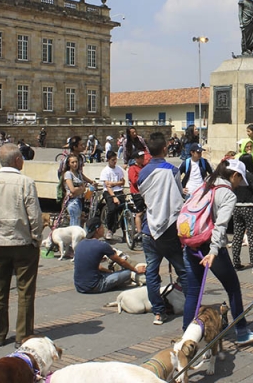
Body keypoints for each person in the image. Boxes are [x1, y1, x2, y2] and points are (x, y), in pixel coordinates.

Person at [182, 159, 253, 345]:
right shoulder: (226, 194)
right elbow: (220, 226)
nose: (238, 186)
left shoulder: (204, 185)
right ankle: (242, 332)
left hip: (191, 244)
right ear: (234, 175)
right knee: (233, 288)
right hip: (211, 247)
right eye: (239, 180)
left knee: (194, 293)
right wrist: (213, 251)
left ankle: (186, 338)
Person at [0, 143, 42, 348]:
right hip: (22, 241)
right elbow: (35, 215)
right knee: (25, 290)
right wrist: (36, 239)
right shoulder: (25, 182)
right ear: (17, 160)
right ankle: (23, 334)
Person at [138, 132, 189, 325]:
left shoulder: (143, 172)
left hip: (148, 229)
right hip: (168, 229)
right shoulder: (172, 170)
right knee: (183, 271)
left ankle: (158, 312)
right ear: (165, 149)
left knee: (152, 272)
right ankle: (189, 305)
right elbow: (177, 197)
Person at [74, 217, 145, 293]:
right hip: (94, 286)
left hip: (79, 286)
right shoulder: (102, 245)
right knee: (127, 273)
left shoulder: (80, 243)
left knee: (109, 274)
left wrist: (109, 272)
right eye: (102, 227)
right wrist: (136, 270)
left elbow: (97, 266)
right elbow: (121, 262)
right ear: (97, 230)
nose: (104, 229)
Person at [99, 151, 126, 241]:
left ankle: (125, 231)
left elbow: (123, 182)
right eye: (112, 160)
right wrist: (114, 197)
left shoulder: (119, 169)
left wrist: (113, 183)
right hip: (109, 192)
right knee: (112, 209)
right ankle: (110, 229)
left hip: (119, 190)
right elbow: (108, 186)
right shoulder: (105, 171)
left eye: (115, 160)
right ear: (108, 160)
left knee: (124, 210)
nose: (114, 162)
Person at [62, 155, 87, 228]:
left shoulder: (78, 174)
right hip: (72, 202)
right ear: (68, 164)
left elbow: (83, 188)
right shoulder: (68, 174)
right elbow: (72, 190)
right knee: (74, 225)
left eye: (76, 162)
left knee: (77, 224)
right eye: (72, 162)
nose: (75, 164)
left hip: (79, 200)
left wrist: (79, 189)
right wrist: (80, 188)